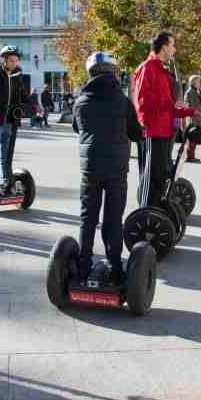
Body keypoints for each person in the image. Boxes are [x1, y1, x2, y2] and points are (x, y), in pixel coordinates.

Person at [73, 51, 143, 283]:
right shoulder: (122, 101)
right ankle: (114, 266)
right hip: (116, 168)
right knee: (113, 218)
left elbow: (77, 128)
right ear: (113, 72)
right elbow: (136, 133)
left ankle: (83, 266)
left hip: (90, 167)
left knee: (88, 218)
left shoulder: (81, 100)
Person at [133, 31, 195, 208]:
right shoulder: (148, 67)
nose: (174, 49)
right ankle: (145, 213)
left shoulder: (163, 70)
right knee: (150, 177)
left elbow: (167, 107)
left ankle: (158, 213)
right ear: (164, 47)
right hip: (153, 131)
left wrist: (188, 112)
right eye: (173, 45)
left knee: (162, 177)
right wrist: (171, 103)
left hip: (165, 131)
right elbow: (142, 101)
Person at [0, 45, 33, 193]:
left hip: (11, 121)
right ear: (3, 60)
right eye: (11, 61)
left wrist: (34, 105)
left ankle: (6, 183)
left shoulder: (17, 75)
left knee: (7, 155)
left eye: (16, 61)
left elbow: (23, 94)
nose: (14, 64)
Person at [184, 76, 201, 163]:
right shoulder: (190, 92)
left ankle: (191, 156)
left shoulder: (194, 92)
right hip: (193, 118)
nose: (199, 84)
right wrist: (196, 116)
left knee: (194, 137)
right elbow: (190, 106)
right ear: (193, 82)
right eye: (198, 82)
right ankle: (189, 156)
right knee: (192, 137)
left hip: (196, 117)